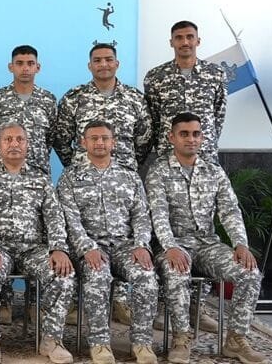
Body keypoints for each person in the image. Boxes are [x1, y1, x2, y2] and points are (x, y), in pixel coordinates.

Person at [147, 113, 264, 364]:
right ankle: (181, 339)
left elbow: (230, 210)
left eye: (196, 134)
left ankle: (235, 340)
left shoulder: (214, 172)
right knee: (176, 270)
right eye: (184, 134)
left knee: (250, 272)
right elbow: (157, 215)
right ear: (172, 137)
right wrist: (170, 246)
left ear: (202, 137)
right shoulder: (158, 172)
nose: (191, 139)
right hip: (173, 245)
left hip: (208, 244)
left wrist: (240, 244)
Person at [0, 122, 75, 364]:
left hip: (33, 249)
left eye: (19, 139)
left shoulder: (41, 178)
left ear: (28, 145)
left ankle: (52, 339)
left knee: (64, 274)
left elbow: (54, 216)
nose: (14, 144)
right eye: (8, 140)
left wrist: (58, 248)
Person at [57, 121, 158, 364]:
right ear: (83, 143)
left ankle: (142, 343)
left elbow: (142, 216)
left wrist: (142, 245)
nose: (99, 143)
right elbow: (69, 220)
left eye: (104, 138)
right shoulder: (70, 177)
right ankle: (100, 343)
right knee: (98, 275)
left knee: (146, 276)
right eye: (94, 138)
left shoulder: (129, 177)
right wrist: (87, 247)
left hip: (125, 247)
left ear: (113, 142)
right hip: (91, 247)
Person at [51, 43, 151, 171]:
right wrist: (77, 165)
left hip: (124, 176)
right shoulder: (73, 98)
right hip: (84, 176)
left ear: (117, 64)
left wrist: (128, 163)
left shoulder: (135, 98)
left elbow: (145, 140)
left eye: (109, 60)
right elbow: (61, 141)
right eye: (97, 60)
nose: (103, 64)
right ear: (90, 66)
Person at [144, 21, 227, 166]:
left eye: (190, 37)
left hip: (205, 152)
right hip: (169, 152)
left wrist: (206, 138)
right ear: (171, 42)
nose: (185, 42)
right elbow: (154, 118)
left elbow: (218, 114)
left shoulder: (216, 74)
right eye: (179, 38)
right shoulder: (156, 77)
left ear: (198, 41)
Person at [0, 45, 57, 175]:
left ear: (38, 67)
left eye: (30, 63)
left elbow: (50, 138)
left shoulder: (48, 100)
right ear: (10, 67)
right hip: (2, 173)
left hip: (38, 173)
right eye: (19, 63)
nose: (25, 68)